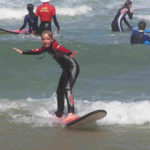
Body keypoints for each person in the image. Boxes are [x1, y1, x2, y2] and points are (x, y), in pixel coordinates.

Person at [13, 31, 80, 118]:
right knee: (59, 91)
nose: (45, 41)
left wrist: (70, 53)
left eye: (48, 39)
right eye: (43, 39)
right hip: (65, 70)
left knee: (67, 88)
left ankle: (71, 113)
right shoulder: (45, 47)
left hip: (72, 68)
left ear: (52, 39)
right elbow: (37, 51)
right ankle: (59, 113)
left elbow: (63, 49)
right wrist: (23, 52)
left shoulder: (56, 45)